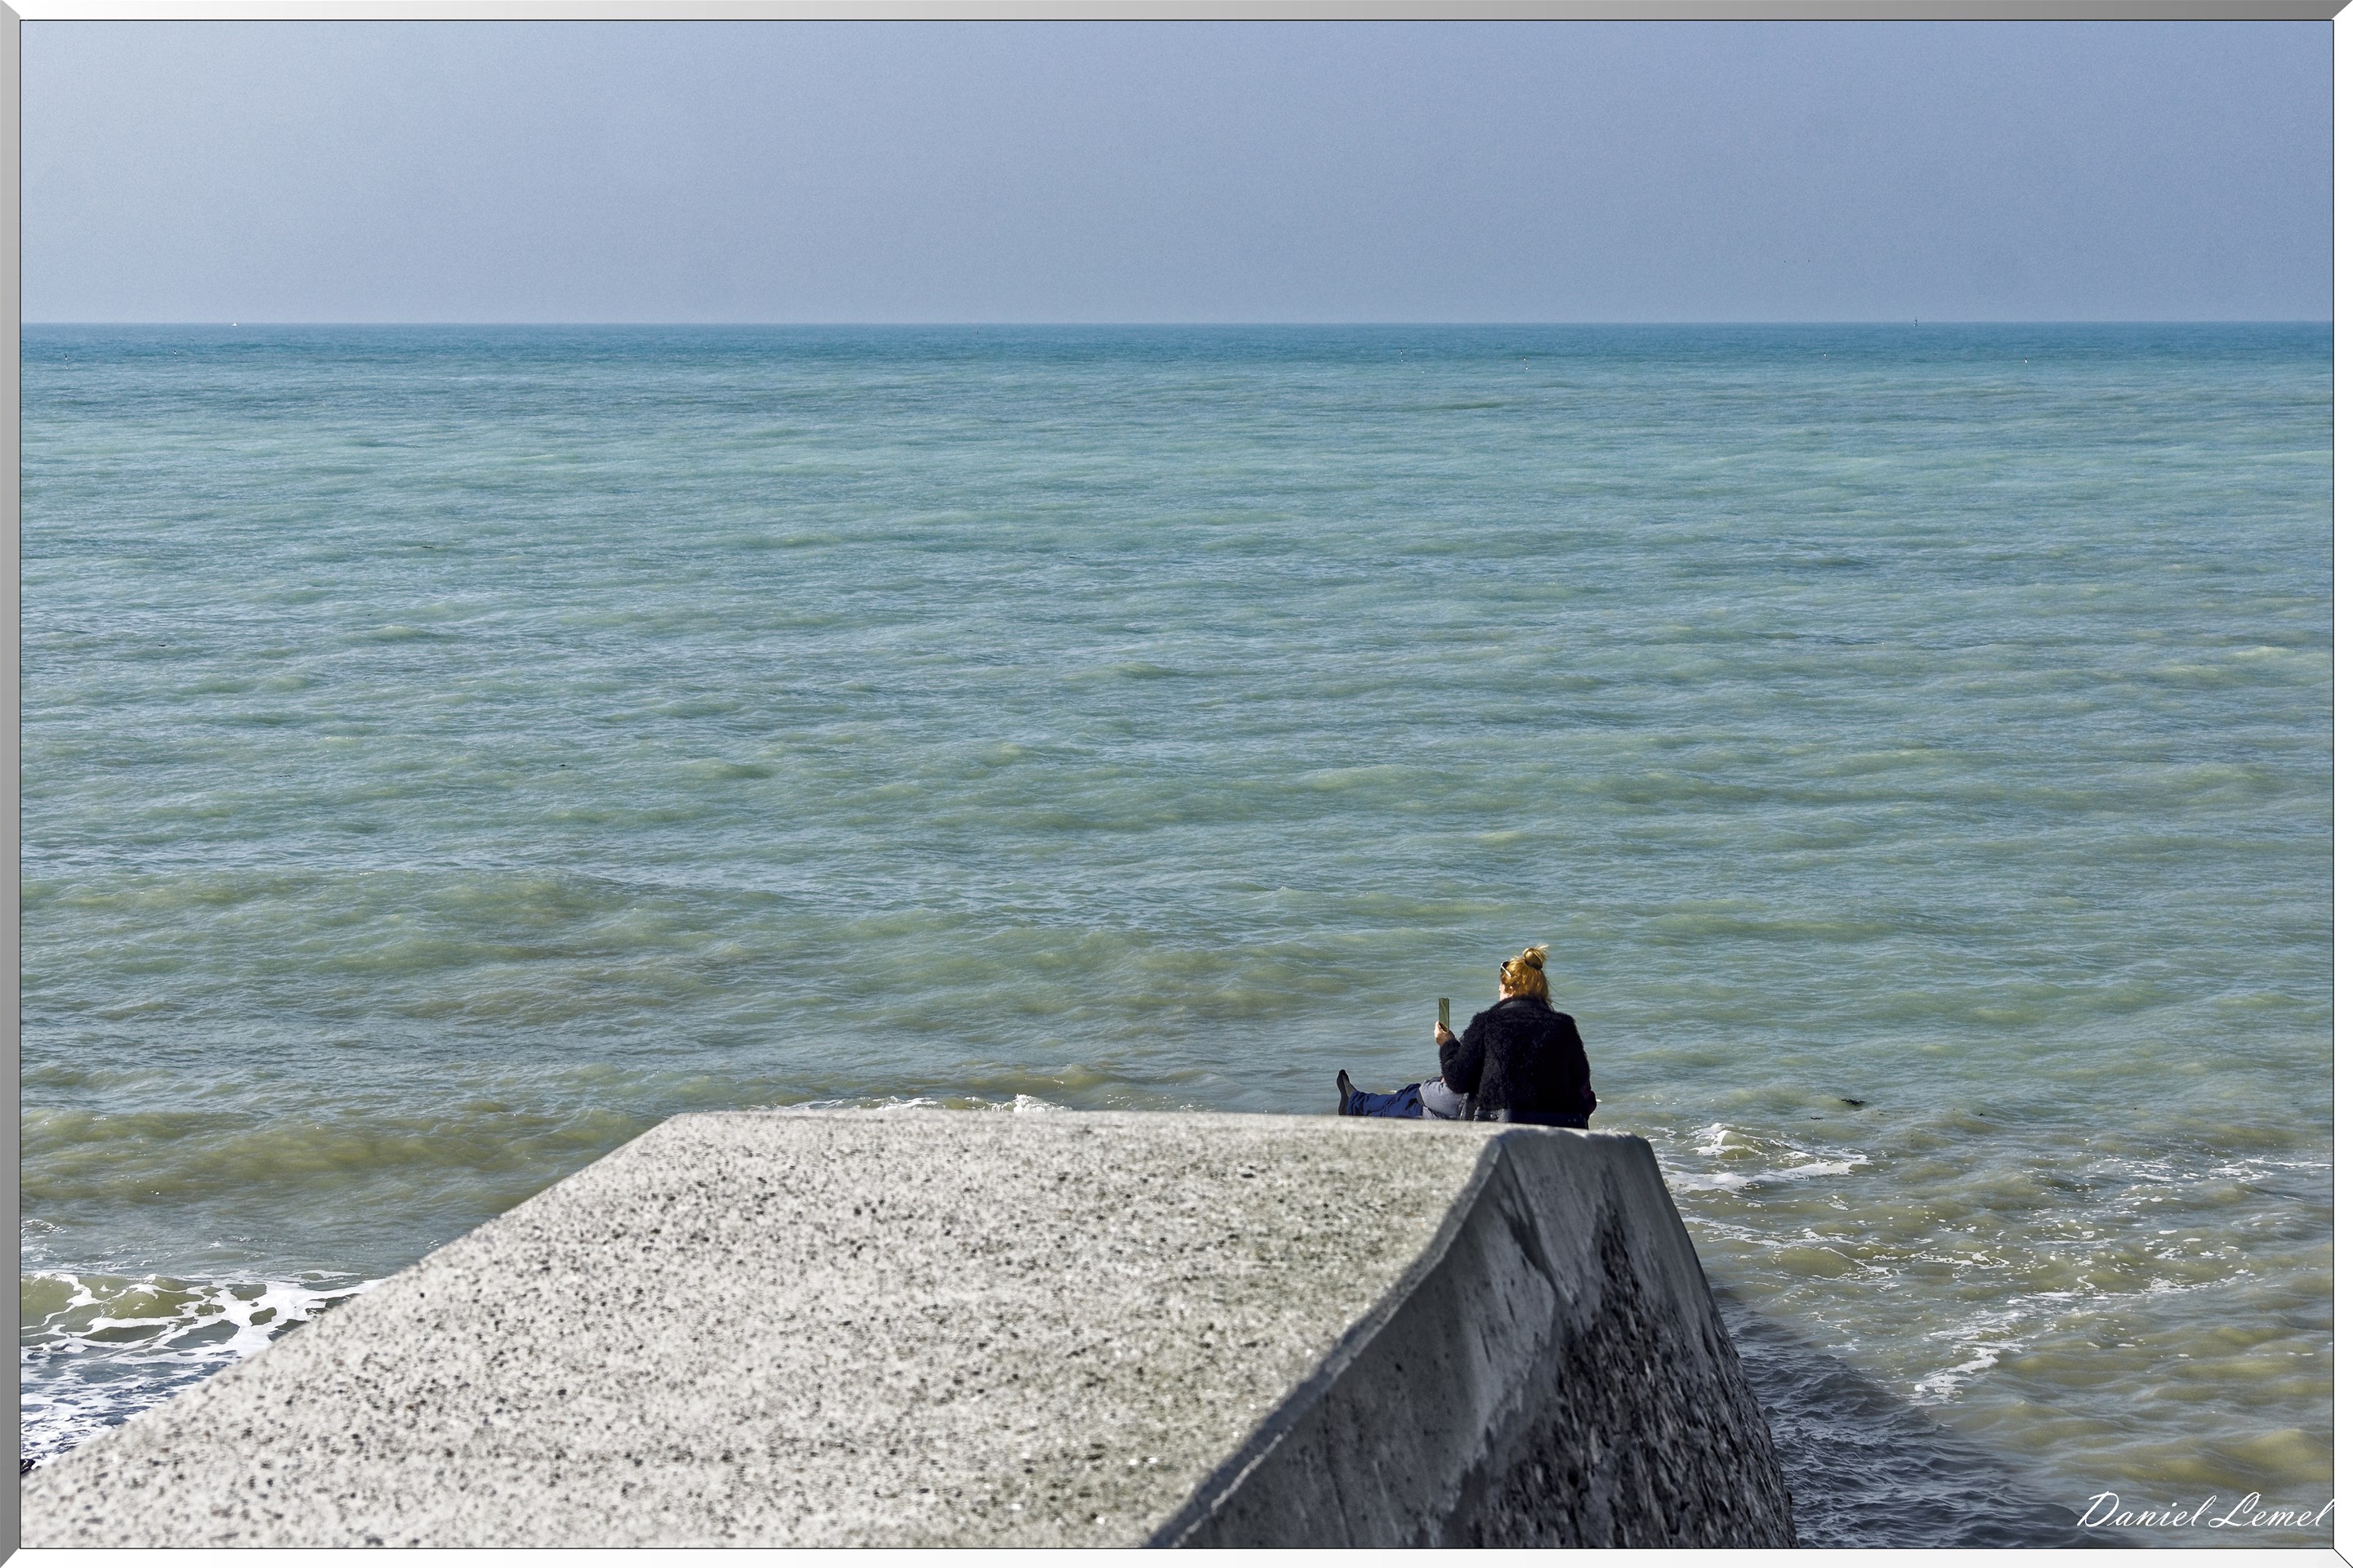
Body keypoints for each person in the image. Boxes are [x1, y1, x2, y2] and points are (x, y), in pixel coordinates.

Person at [1336, 945, 1596, 1128]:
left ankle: (1355, 1105)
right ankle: (1356, 1103)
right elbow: (1583, 1088)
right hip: (1560, 1125)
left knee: (1416, 1099)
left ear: (1509, 989)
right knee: (1420, 1094)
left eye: (1500, 988)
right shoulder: (1564, 1026)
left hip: (1496, 1124)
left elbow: (1457, 1079)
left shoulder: (1489, 1022)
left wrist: (1447, 1044)